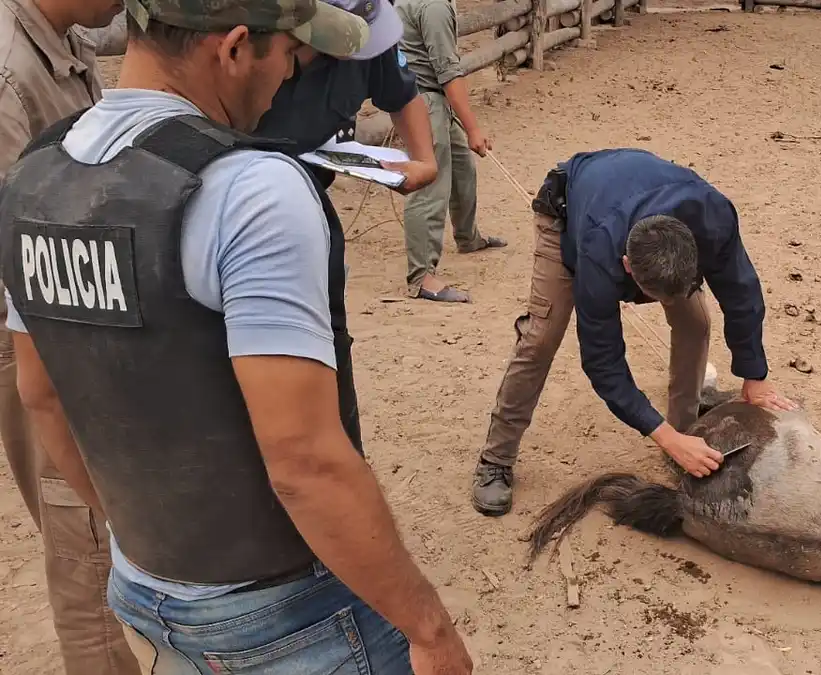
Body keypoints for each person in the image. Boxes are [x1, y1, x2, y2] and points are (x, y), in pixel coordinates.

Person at [0, 0, 473, 671]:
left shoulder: (35, 176)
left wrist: (138, 534)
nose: (287, 75)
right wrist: (429, 628)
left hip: (143, 585)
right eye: (287, 52)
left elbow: (39, 392)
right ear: (233, 49)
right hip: (277, 607)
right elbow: (304, 461)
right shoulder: (250, 189)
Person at [471, 148, 798, 516]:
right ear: (626, 267)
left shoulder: (714, 217)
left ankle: (686, 428)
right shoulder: (597, 251)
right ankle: (496, 458)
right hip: (567, 213)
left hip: (634, 201)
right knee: (540, 340)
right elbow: (602, 361)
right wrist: (660, 434)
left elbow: (743, 292)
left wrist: (754, 376)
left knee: (695, 321)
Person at [0, 0, 136, 670]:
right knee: (81, 537)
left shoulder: (62, 39)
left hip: (65, 312)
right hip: (37, 328)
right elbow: (15, 247)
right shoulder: (8, 71)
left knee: (92, 524)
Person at [253, 0, 439, 453]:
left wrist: (424, 161)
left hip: (311, 202)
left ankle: (341, 446)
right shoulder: (255, 41)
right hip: (245, 206)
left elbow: (403, 95)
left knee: (329, 337)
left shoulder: (372, 33)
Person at [395, 0, 505, 304]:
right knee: (430, 183)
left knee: (461, 168)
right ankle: (421, 276)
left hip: (431, 97)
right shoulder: (434, 7)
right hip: (425, 100)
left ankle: (468, 237)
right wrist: (473, 128)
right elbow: (448, 73)